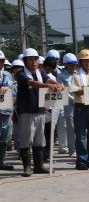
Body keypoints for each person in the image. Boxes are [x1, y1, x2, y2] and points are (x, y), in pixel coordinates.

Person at [15, 48, 63, 176]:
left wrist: (58, 84)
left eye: (36, 59)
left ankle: (39, 166)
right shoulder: (20, 73)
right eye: (31, 59)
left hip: (40, 109)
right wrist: (49, 86)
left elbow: (48, 79)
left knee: (39, 139)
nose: (34, 62)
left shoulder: (40, 71)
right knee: (26, 139)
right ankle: (27, 167)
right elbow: (32, 83)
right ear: (25, 61)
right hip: (26, 110)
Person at [56, 53, 78, 156]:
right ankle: (72, 150)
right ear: (65, 64)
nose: (73, 66)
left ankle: (80, 148)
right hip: (69, 105)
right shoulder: (61, 76)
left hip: (80, 104)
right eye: (70, 64)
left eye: (74, 64)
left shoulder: (78, 74)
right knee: (71, 128)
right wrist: (74, 99)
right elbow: (63, 92)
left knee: (81, 128)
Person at [0, 50, 15, 170]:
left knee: (5, 138)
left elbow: (13, 92)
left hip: (6, 111)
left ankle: (1, 161)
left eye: (1, 61)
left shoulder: (8, 75)